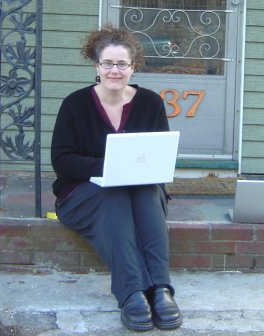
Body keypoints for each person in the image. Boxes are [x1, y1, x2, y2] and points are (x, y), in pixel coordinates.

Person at [50, 25, 183, 331]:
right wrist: (110, 167)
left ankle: (160, 289)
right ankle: (132, 292)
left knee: (149, 193)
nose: (115, 70)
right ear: (96, 65)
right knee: (114, 197)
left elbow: (160, 154)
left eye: (122, 64)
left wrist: (133, 170)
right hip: (83, 194)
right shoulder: (75, 104)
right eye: (108, 63)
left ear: (133, 66)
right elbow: (62, 161)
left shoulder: (150, 103)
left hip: (140, 188)